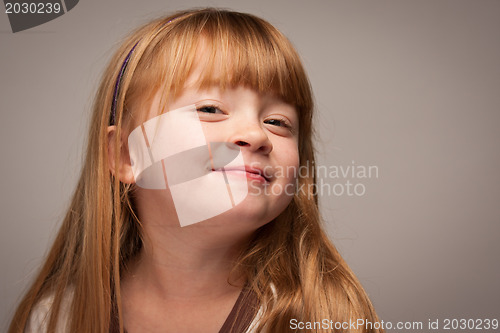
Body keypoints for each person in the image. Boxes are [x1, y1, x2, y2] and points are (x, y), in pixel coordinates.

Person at [9, 8, 383, 333]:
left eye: (277, 121)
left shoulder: (322, 320)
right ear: (126, 154)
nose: (255, 134)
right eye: (210, 109)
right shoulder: (57, 318)